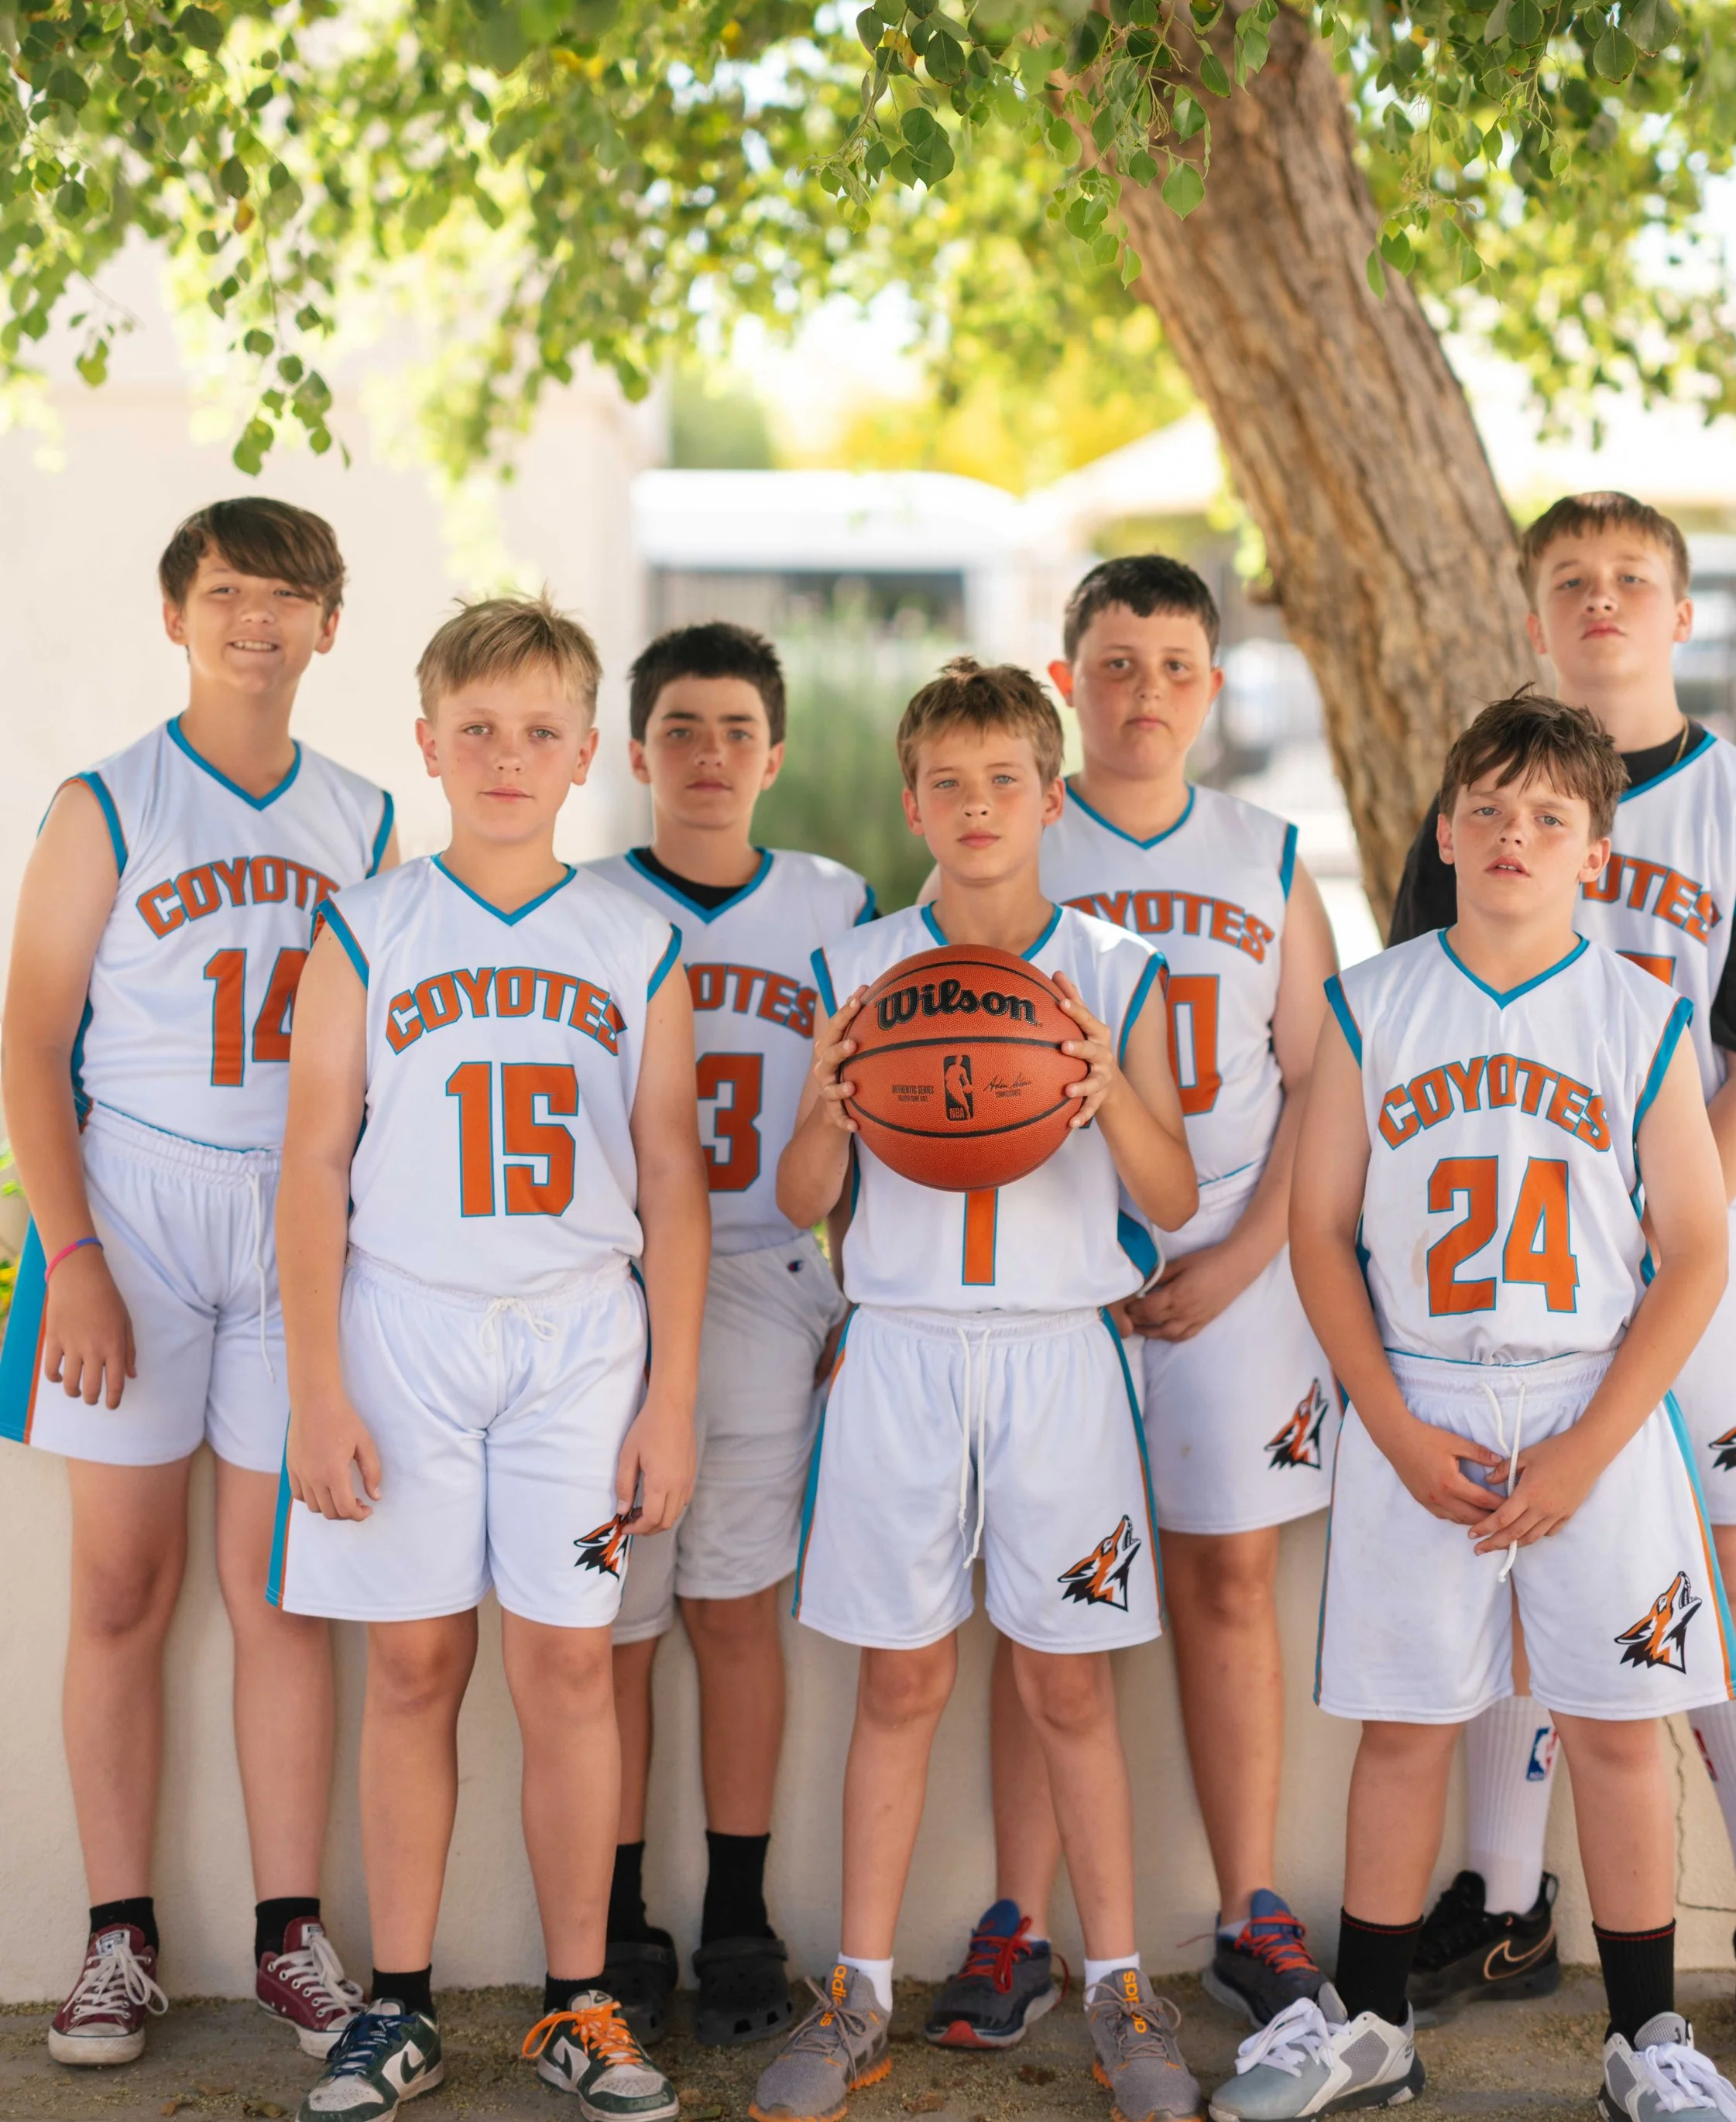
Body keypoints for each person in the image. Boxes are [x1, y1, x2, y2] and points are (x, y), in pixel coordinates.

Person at [1210, 691, 1736, 2122]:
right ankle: (1373, 2028)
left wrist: (1587, 1448)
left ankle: (1647, 2042)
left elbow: (1696, 1254)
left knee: (1616, 1725)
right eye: (1489, 809)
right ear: (1444, 831)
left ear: (1594, 852)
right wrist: (1387, 1424)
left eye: (1550, 817)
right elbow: (1320, 1233)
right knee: (1405, 1726)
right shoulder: (1373, 1003)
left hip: (1589, 1401)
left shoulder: (1639, 1014)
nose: (1516, 835)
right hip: (1424, 1398)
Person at [1387, 494, 1736, 2070]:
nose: (1602, 600)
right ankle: (1505, 1897)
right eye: (1571, 580)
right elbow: (1414, 1011)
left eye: (1632, 579)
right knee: (1503, 1548)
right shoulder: (1474, 797)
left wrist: (1660, 1236)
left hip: (1687, 1254)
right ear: (1535, 615)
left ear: (1676, 613)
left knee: (1728, 1569)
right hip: (1505, 1271)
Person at [270, 595, 710, 2122]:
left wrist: (671, 1394)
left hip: (580, 1339)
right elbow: (313, 1163)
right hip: (404, 1326)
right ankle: (396, 2007)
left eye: (538, 732)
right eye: (478, 730)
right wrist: (315, 1386)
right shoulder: (368, 924)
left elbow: (674, 1179)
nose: (507, 757)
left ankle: (577, 2000)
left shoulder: (636, 939)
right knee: (412, 1663)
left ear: (586, 752)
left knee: (570, 1664)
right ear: (428, 744)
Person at [750, 656, 1204, 2122]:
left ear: (1051, 798)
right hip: (901, 1348)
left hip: (1063, 1352)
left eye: (1006, 779)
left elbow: (1174, 1195)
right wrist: (829, 1113)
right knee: (901, 1680)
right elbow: (798, 1198)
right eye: (948, 783)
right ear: (913, 805)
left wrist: (1105, 1091)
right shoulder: (856, 972)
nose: (978, 805)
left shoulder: (1119, 968)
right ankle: (859, 1992)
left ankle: (1121, 1989)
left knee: (1068, 1684)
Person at [0, 499, 394, 2070]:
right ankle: (118, 1940)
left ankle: (292, 1936)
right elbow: (31, 1041)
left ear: (328, 626)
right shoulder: (107, 801)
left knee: (280, 1590)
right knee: (120, 1590)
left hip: (291, 1219)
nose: (255, 620)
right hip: (137, 1211)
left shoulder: (365, 818)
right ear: (177, 615)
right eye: (226, 591)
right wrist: (76, 1256)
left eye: (286, 596)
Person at [927, 560, 1340, 2052]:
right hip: (1058, 1270)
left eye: (1173, 666)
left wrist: (1237, 1259)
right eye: (1114, 662)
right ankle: (1020, 1921)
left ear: (1213, 689)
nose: (1144, 691)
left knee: (1229, 1581)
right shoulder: (1017, 829)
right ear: (1066, 681)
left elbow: (1321, 1084)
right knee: (1043, 1604)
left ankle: (1249, 1913)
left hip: (1232, 1261)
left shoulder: (1266, 853)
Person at [585, 622, 873, 2050]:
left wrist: (862, 1291)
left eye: (736, 731)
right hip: (612, 1291)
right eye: (681, 730)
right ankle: (619, 1913)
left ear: (776, 754)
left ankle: (741, 1916)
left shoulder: (836, 905)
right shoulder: (581, 903)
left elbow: (883, 1120)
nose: (709, 755)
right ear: (638, 753)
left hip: (770, 1274)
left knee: (736, 1614)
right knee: (618, 1631)